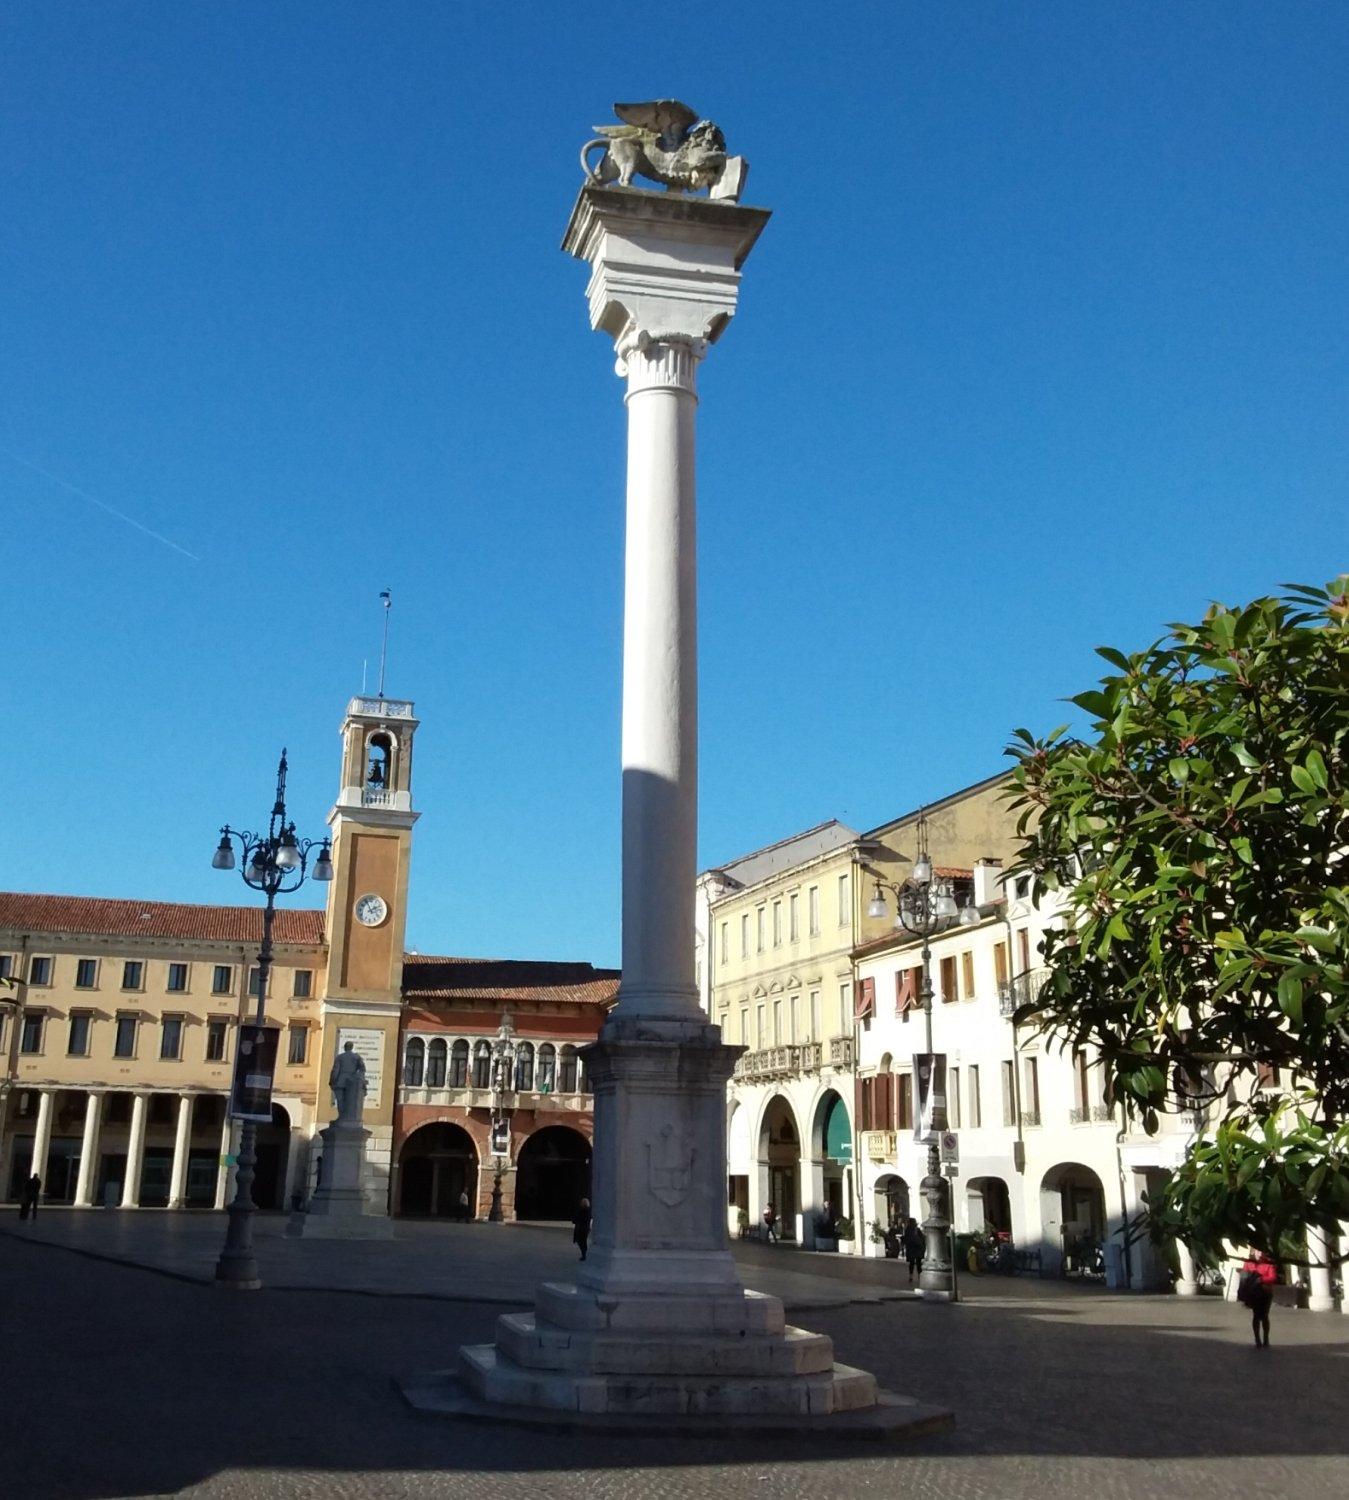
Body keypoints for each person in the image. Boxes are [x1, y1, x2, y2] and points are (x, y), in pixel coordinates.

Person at [1238, 1249, 1278, 1347]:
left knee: (1264, 1316)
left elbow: (1273, 1277)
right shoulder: (1248, 1263)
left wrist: (1261, 1279)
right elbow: (1244, 1277)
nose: (1260, 1254)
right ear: (1253, 1252)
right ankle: (1257, 1339)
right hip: (1253, 1293)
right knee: (1256, 1315)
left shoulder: (1269, 1263)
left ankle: (1266, 1338)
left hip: (1265, 1293)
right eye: (1258, 1251)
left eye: (1262, 1252)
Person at [903, 1216, 925, 1284]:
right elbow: (922, 1238)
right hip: (917, 1248)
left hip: (911, 1248)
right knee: (919, 1263)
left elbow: (906, 1239)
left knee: (911, 1263)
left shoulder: (907, 1230)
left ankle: (911, 1276)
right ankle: (919, 1277)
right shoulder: (917, 1229)